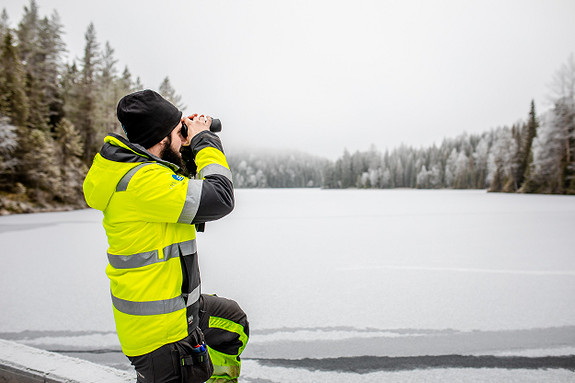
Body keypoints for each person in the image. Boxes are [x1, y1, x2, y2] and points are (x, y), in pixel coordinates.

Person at [83, 89, 249, 382]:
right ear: (161, 139)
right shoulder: (142, 183)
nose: (183, 134)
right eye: (178, 130)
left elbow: (180, 187)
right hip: (162, 336)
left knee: (232, 322)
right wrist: (203, 139)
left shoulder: (141, 171)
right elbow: (220, 197)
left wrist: (182, 144)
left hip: (177, 310)